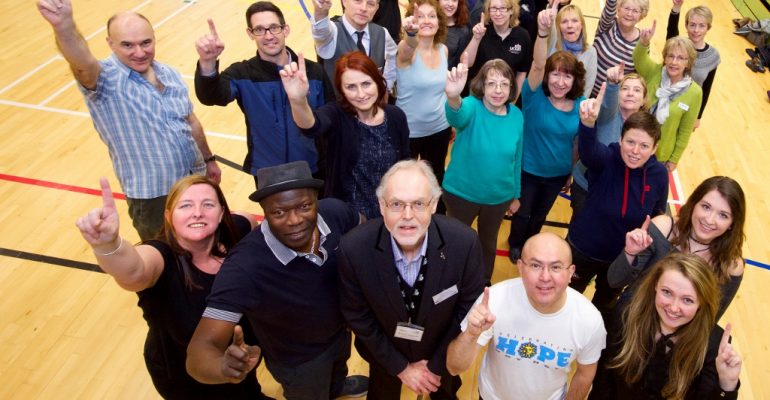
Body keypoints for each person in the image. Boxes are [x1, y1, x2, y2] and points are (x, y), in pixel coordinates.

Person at [37, 0, 220, 241]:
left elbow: (190, 121)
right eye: (127, 45)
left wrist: (208, 160)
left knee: (209, 246)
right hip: (154, 196)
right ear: (110, 44)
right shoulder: (104, 80)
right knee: (164, 262)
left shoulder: (169, 74)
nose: (140, 52)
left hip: (194, 181)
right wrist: (64, 26)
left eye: (146, 42)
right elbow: (81, 63)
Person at [186, 161, 368, 400]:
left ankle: (336, 387)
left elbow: (364, 232)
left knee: (337, 371)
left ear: (316, 200)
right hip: (299, 362)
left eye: (304, 206)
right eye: (279, 212)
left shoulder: (335, 213)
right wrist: (222, 367)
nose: (294, 220)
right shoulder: (245, 267)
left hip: (340, 334)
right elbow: (199, 351)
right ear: (265, 211)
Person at [75, 176, 265, 399]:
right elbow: (133, 272)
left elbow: (249, 219)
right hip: (184, 376)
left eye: (208, 204)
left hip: (240, 357)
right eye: (185, 205)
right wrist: (108, 244)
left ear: (222, 212)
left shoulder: (239, 231)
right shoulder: (161, 257)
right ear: (168, 216)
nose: (197, 212)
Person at [337, 160, 485, 399]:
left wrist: (436, 366)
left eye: (418, 204)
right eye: (396, 204)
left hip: (441, 352)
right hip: (384, 355)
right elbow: (357, 315)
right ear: (382, 205)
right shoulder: (353, 249)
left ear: (434, 205)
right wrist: (401, 368)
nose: (407, 216)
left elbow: (467, 307)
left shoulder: (464, 243)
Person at [446, 232, 606, 399]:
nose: (545, 277)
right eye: (536, 265)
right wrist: (471, 334)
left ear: (570, 272)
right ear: (520, 267)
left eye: (556, 267)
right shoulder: (494, 299)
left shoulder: (590, 320)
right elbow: (454, 367)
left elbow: (585, 374)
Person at [194, 2, 333, 187]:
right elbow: (211, 96)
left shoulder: (313, 71)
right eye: (259, 29)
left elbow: (331, 118)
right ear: (250, 34)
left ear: (286, 30)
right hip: (267, 173)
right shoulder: (241, 74)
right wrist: (208, 62)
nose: (268, 36)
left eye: (274, 28)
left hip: (313, 169)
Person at [566, 84, 669, 321]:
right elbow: (589, 152)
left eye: (644, 146)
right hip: (583, 249)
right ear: (620, 139)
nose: (635, 151)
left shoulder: (659, 174)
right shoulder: (607, 157)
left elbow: (658, 213)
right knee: (568, 301)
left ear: (654, 149)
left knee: (604, 307)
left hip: (622, 258)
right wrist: (588, 124)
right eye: (630, 142)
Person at [590, 253, 742, 399]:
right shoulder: (627, 316)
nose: (674, 308)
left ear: (702, 302)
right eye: (667, 292)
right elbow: (604, 379)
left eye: (687, 300)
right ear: (655, 285)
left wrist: (727, 385)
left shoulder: (714, 346)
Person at [280, 52, 410, 219]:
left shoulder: (395, 116)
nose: (361, 94)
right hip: (350, 217)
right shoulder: (336, 114)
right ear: (341, 90)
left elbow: (405, 162)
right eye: (351, 87)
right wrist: (298, 100)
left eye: (366, 84)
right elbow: (311, 126)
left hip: (391, 213)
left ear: (377, 82)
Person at [506, 3, 586, 262]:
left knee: (539, 216)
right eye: (555, 75)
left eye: (567, 77)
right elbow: (538, 64)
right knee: (523, 212)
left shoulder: (580, 105)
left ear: (575, 81)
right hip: (527, 170)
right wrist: (542, 33)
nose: (560, 82)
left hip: (557, 174)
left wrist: (569, 172)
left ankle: (531, 243)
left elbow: (576, 144)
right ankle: (517, 243)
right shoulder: (534, 94)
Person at [608, 176, 746, 320]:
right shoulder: (663, 228)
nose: (709, 220)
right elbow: (615, 280)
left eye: (723, 215)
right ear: (694, 204)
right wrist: (630, 253)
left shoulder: (731, 266)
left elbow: (708, 321)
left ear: (732, 223)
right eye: (706, 207)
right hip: (628, 322)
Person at [443, 56, 523, 283]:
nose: (498, 90)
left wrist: (515, 194)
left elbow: (517, 158)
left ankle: (483, 282)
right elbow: (457, 116)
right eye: (491, 84)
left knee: (488, 244)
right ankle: (449, 279)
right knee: (456, 242)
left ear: (511, 88)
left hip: (498, 199)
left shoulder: (516, 116)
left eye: (504, 84)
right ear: (482, 86)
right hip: (461, 195)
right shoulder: (471, 106)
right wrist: (452, 96)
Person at [570, 62, 648, 219]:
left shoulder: (646, 126)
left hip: (615, 189)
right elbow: (608, 104)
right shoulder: (608, 115)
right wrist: (613, 84)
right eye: (625, 88)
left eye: (637, 90)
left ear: (644, 100)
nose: (630, 93)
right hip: (586, 186)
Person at [398, 0, 452, 214]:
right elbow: (408, 46)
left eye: (432, 16)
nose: (426, 21)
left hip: (439, 127)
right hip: (409, 131)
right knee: (405, 181)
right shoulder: (406, 51)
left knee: (435, 177)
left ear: (439, 22)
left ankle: (436, 220)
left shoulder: (444, 50)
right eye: (420, 16)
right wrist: (411, 35)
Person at [634, 25, 702, 171]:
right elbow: (639, 59)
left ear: (688, 62)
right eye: (670, 56)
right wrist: (644, 42)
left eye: (680, 58)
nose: (674, 62)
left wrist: (674, 159)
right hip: (635, 145)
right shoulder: (655, 71)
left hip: (660, 155)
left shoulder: (695, 92)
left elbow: (685, 130)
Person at [311, 0, 398, 93]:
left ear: (376, 8)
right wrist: (321, 12)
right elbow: (321, 33)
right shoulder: (333, 32)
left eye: (370, 4)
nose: (364, 8)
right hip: (339, 106)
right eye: (358, 1)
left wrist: (386, 87)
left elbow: (394, 58)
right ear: (344, 2)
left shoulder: (382, 33)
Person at [666, 1, 719, 131]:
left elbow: (706, 89)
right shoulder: (678, 45)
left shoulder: (713, 56)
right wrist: (676, 8)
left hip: (686, 108)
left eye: (702, 26)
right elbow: (671, 31)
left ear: (708, 28)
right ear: (686, 25)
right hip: (665, 99)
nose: (696, 30)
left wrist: (698, 116)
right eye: (692, 25)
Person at [464, 0, 532, 102]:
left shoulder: (522, 36)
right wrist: (476, 38)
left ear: (511, 11)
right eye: (494, 8)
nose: (498, 13)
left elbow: (521, 73)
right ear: (488, 11)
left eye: (503, 8)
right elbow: (466, 63)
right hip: (479, 97)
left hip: (506, 97)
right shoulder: (480, 31)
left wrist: (512, 101)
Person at [591, 0, 649, 96]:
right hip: (587, 91)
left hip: (612, 99)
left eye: (635, 11)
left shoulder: (642, 40)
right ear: (618, 8)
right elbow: (610, 7)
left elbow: (638, 74)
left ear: (641, 15)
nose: (629, 14)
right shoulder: (607, 25)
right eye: (626, 8)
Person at [546, 4, 598, 98]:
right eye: (564, 21)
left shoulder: (591, 52)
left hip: (573, 108)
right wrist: (550, 7)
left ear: (581, 25)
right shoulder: (552, 43)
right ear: (559, 27)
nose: (570, 25)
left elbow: (587, 88)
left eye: (574, 21)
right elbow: (547, 24)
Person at [440, 0, 471, 69]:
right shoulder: (428, 23)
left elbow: (460, 63)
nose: (450, 4)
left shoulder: (463, 30)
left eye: (454, 0)